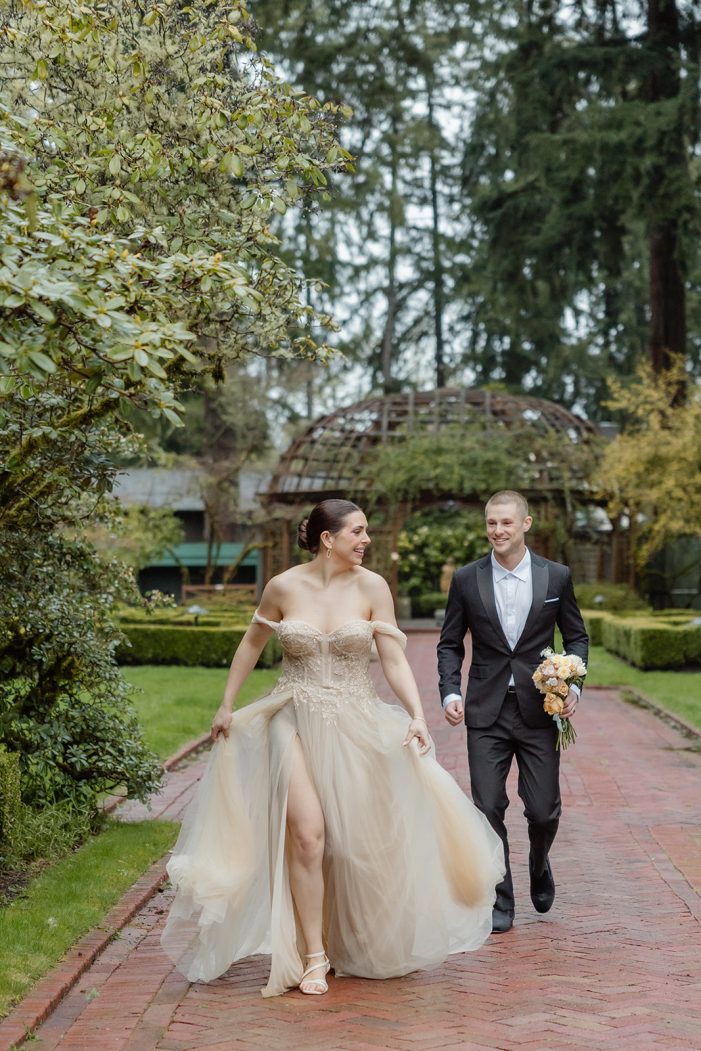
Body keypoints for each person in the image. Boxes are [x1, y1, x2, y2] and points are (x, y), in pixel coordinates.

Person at [162, 499, 504, 997]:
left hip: (356, 722)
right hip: (291, 718)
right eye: (358, 532)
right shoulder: (283, 586)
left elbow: (392, 660)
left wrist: (416, 714)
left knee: (350, 845)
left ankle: (347, 939)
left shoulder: (373, 588)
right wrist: (226, 704)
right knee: (308, 835)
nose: (367, 540)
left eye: (366, 532)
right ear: (328, 538)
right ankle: (313, 958)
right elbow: (252, 643)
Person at [437, 490, 589, 934]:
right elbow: (449, 642)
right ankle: (501, 896)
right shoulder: (467, 579)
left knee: (543, 811)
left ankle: (539, 863)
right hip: (485, 710)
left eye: (506, 523)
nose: (497, 531)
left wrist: (573, 681)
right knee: (487, 806)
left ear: (525, 524)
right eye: (491, 523)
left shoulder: (555, 576)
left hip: (540, 709)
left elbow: (576, 637)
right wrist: (450, 692)